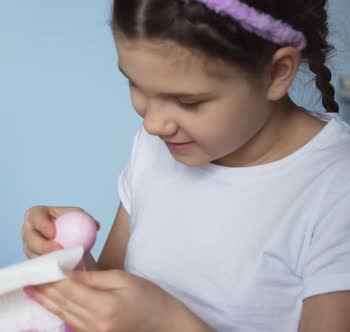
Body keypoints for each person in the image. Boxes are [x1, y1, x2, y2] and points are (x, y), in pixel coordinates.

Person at [21, 0, 350, 331]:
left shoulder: (336, 187)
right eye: (135, 84)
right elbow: (115, 295)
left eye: (187, 102)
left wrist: (166, 322)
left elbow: (146, 316)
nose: (153, 123)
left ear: (276, 73)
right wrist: (69, 259)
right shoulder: (159, 146)